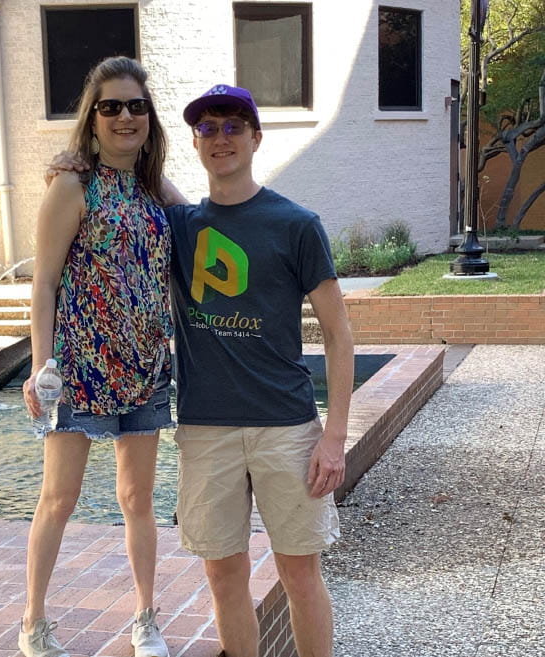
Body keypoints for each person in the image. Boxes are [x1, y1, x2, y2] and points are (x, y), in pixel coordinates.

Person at [166, 84, 354, 657]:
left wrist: (334, 436)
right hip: (206, 429)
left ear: (255, 138)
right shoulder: (178, 227)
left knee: (300, 576)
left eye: (232, 127)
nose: (220, 138)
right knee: (224, 578)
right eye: (208, 128)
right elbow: (124, 171)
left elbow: (340, 334)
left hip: (285, 427)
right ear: (195, 143)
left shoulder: (295, 223)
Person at [19, 56, 173, 657]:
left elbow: (207, 221)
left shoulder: (154, 187)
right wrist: (41, 364)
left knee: (138, 499)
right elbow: (44, 283)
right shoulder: (71, 185)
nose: (125, 116)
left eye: (136, 105)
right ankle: (33, 622)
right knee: (59, 497)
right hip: (80, 369)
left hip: (144, 369)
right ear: (93, 117)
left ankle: (145, 618)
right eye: (111, 106)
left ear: (148, 117)